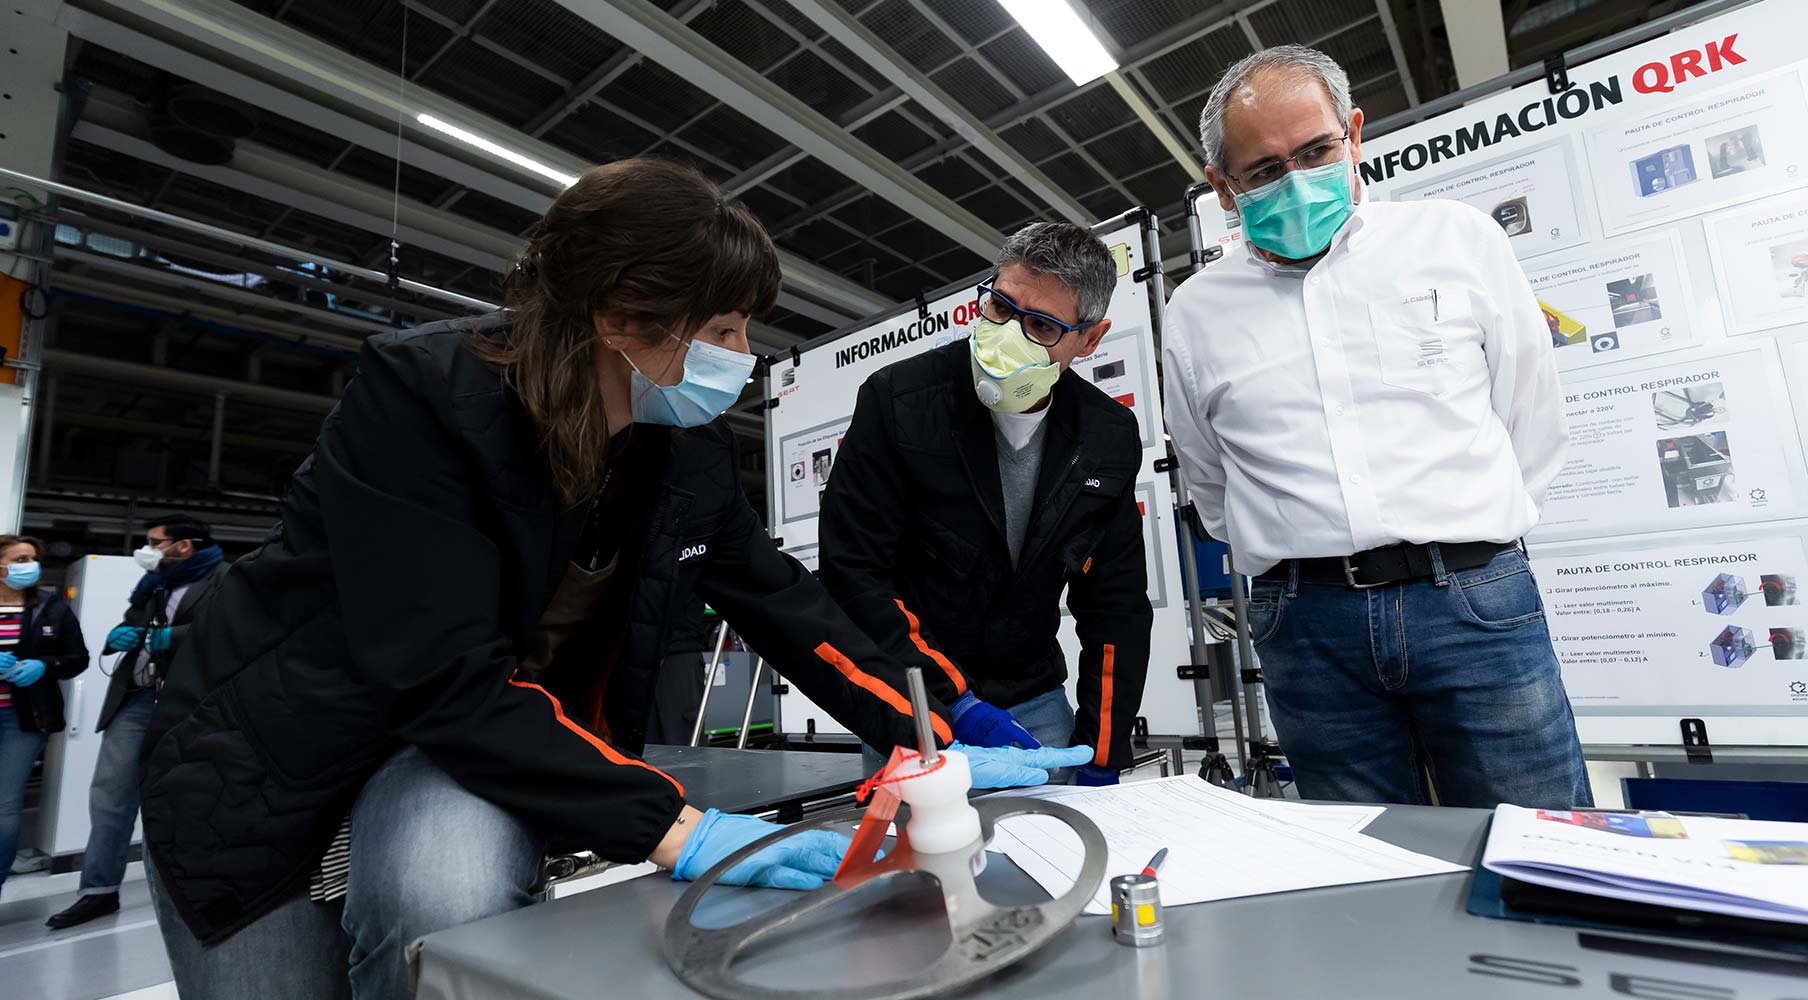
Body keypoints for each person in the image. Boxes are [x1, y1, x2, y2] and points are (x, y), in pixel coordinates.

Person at [138, 158, 1088, 1000]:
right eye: (722, 327)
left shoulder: (681, 455)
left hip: (455, 750)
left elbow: (790, 608)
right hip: (269, 768)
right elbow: (441, 673)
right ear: (620, 317)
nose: (742, 358)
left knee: (446, 906)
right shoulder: (423, 405)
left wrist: (935, 724)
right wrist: (681, 832)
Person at [1162, 45, 1589, 809]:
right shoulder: (1194, 312)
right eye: (1262, 171)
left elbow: (1531, 414)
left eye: (1318, 150)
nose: (1296, 180)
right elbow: (1209, 476)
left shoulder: (1456, 241)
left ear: (1354, 135)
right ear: (1222, 189)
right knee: (1361, 866)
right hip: (1307, 623)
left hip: (1473, 597)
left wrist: (1464, 529)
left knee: (1537, 841)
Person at [819, 222, 1152, 784]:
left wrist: (1103, 748)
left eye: (1042, 326)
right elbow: (855, 573)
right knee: (923, 862)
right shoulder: (898, 401)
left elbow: (1114, 604)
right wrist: (956, 700)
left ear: (1089, 340)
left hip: (1035, 702)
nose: (1009, 336)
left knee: (1053, 859)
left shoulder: (1108, 437)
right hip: (916, 698)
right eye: (1000, 308)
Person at [46, 514, 228, 928]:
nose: (146, 549)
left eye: (154, 541)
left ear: (184, 545)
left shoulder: (225, 578)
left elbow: (230, 631)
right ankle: (98, 891)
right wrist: (118, 635)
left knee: (189, 797)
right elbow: (131, 623)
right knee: (110, 792)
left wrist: (173, 639)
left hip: (190, 702)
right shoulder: (154, 584)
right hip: (138, 695)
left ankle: (196, 891)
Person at [0, 535, 88, 899]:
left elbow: (77, 658)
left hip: (22, 721)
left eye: (32, 558)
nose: (29, 565)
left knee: (4, 807)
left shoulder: (50, 607)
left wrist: (43, 665)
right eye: (20, 558)